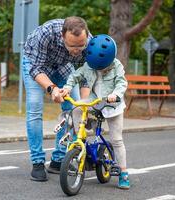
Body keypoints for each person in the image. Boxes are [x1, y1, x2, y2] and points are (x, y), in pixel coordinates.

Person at [22, 16, 91, 182]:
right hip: (36, 64)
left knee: (73, 110)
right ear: (62, 37)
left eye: (81, 46)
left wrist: (84, 104)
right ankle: (37, 162)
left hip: (63, 65)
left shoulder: (90, 43)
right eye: (72, 46)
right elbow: (36, 68)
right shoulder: (46, 34)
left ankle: (58, 160)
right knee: (35, 108)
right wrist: (52, 89)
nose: (77, 50)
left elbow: (86, 75)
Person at [61, 34, 130, 189]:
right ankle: (81, 139)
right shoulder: (88, 65)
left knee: (116, 139)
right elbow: (75, 76)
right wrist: (67, 87)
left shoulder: (117, 65)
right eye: (96, 67)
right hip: (95, 102)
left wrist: (116, 95)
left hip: (113, 106)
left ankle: (124, 173)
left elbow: (121, 82)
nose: (98, 69)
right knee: (77, 109)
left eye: (102, 67)